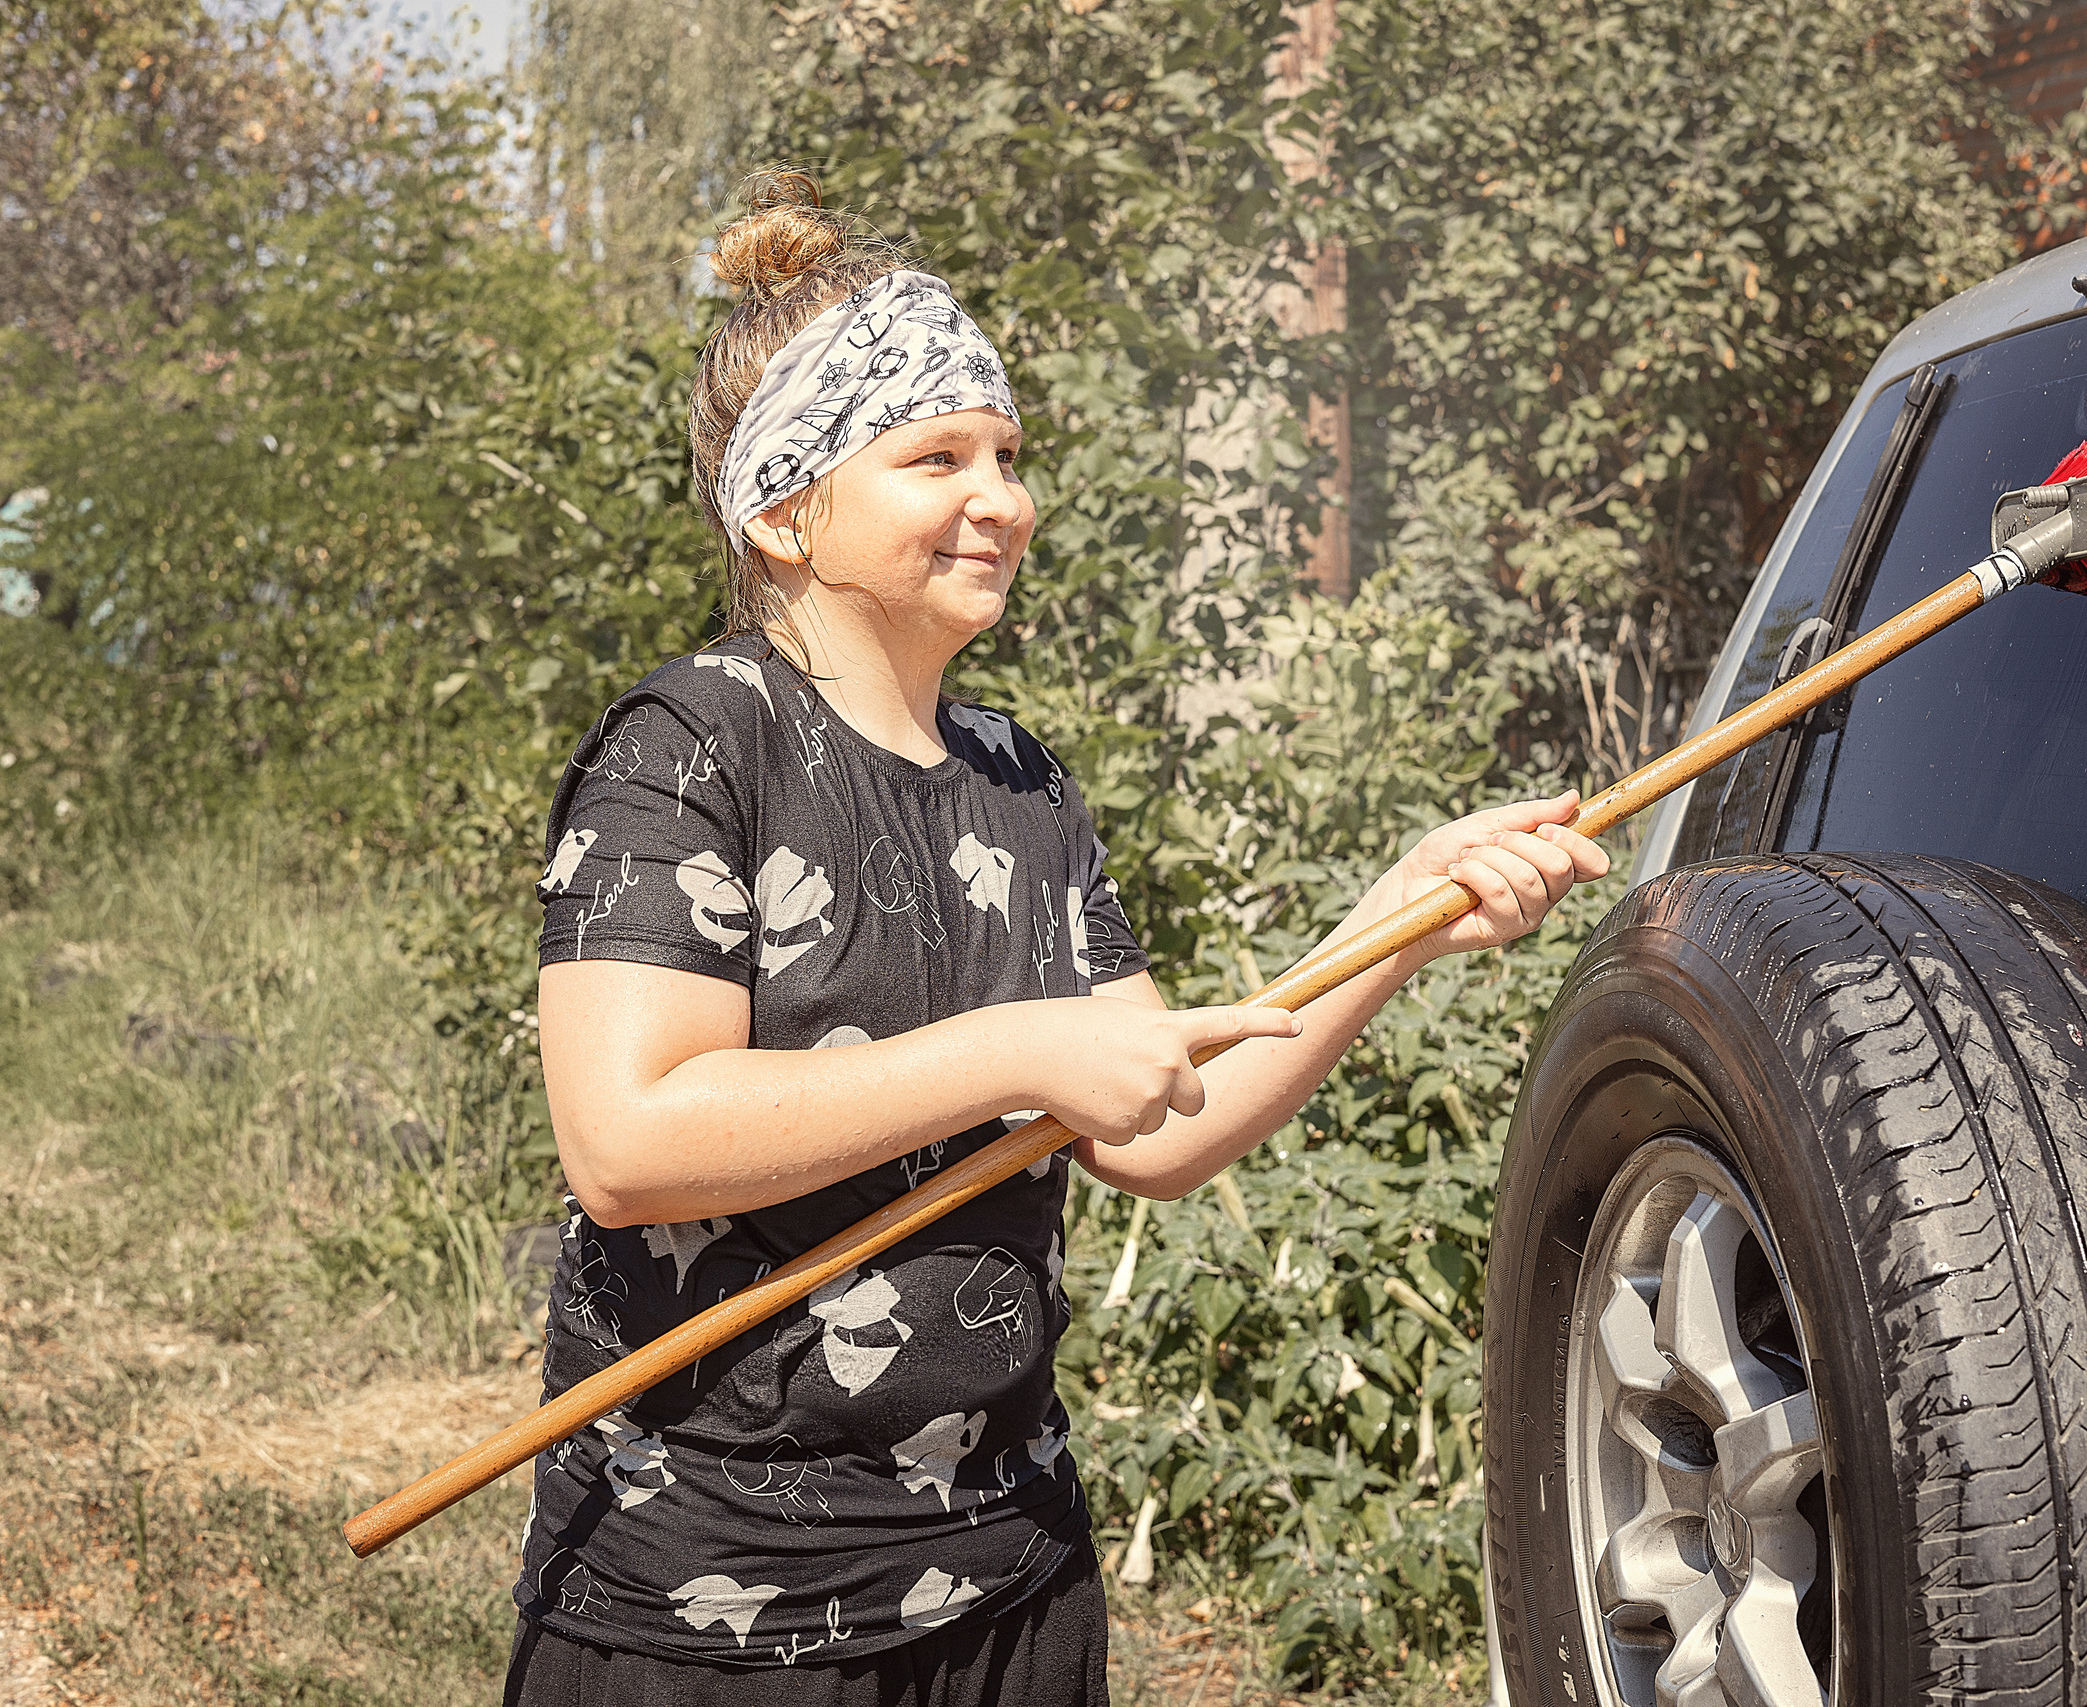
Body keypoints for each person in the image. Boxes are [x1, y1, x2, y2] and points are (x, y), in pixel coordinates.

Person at [506, 169, 1609, 1707]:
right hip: (715, 1610)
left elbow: (1153, 1123)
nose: (1004, 497)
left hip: (1010, 1579)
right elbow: (628, 1139)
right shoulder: (693, 747)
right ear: (782, 506)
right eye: (938, 455)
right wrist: (1017, 1049)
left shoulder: (1021, 783)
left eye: (1010, 454)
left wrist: (1398, 919)